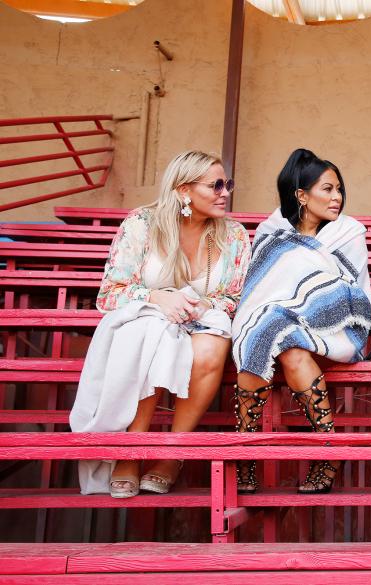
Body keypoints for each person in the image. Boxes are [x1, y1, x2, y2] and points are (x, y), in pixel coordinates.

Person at [70, 150, 250, 498]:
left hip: (201, 320)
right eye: (215, 185)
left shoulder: (235, 236)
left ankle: (172, 452)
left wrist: (201, 304)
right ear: (184, 190)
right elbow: (109, 294)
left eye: (226, 184)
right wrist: (158, 298)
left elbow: (236, 298)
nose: (224, 192)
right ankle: (133, 450)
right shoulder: (141, 223)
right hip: (148, 318)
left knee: (214, 343)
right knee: (152, 334)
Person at [231, 148, 371, 494]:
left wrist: (295, 308)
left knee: (271, 331)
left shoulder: (348, 232)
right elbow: (261, 287)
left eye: (339, 189)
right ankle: (249, 450)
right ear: (302, 195)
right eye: (328, 189)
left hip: (336, 324)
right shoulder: (272, 229)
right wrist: (284, 312)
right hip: (279, 324)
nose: (337, 197)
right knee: (274, 336)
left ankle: (321, 451)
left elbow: (349, 291)